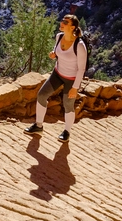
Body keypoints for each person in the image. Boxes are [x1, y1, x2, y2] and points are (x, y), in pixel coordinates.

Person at [24, 14, 87, 142]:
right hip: (57, 74)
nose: (62, 23)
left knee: (68, 105)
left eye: (65, 22)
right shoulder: (59, 37)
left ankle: (67, 132)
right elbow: (56, 51)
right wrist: (53, 54)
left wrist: (75, 88)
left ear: (73, 27)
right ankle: (38, 125)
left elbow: (81, 69)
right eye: (62, 20)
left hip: (71, 79)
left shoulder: (79, 46)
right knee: (42, 95)